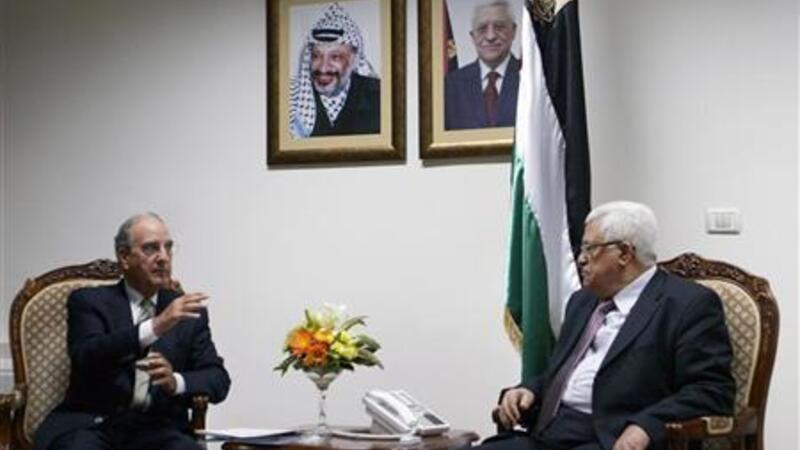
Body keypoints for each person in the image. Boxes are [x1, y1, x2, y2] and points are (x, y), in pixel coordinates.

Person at [488, 201, 735, 450]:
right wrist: (529, 390)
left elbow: (712, 391)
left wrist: (647, 425)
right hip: (545, 432)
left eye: (590, 248)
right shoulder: (582, 301)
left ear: (624, 253)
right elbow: (564, 374)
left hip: (608, 438)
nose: (581, 259)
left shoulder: (687, 304)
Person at [35, 213, 231, 450]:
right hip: (94, 424)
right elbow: (87, 354)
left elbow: (217, 379)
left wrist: (175, 382)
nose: (163, 257)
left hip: (157, 428)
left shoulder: (187, 313)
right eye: (151, 248)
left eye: (168, 247)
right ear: (124, 257)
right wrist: (155, 326)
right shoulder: (89, 301)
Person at [289, 2, 381, 138]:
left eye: (335, 57)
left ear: (354, 59)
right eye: (316, 56)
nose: (323, 67)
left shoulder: (379, 94)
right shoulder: (292, 99)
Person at [445, 0, 520, 130]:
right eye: (482, 28)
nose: (490, 36)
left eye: (499, 27)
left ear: (513, 31)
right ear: (472, 36)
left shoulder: (530, 78)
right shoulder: (451, 85)